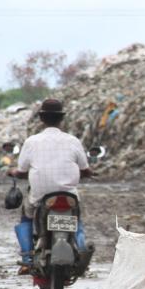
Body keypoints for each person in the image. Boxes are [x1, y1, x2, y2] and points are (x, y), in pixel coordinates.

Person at [8, 98, 92, 266]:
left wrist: (12, 172)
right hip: (69, 196)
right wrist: (89, 173)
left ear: (41, 118)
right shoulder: (73, 141)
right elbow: (85, 169)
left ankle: (27, 257)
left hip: (39, 197)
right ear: (61, 119)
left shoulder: (31, 142)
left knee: (26, 217)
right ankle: (82, 249)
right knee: (77, 220)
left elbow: (22, 171)